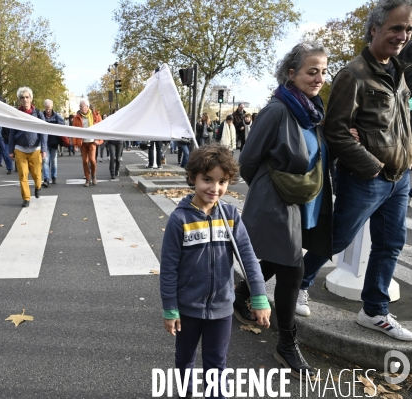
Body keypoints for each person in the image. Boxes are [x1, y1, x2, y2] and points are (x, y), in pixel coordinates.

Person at [296, 0, 412, 342]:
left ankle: (374, 311)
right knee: (337, 238)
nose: (402, 35)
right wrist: (372, 166)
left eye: (407, 29)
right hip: (366, 177)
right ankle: (298, 286)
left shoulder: (400, 72)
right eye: (396, 28)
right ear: (375, 29)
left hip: (400, 178)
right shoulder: (353, 74)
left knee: (390, 243)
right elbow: (336, 130)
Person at [238, 42, 332, 377]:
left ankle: (239, 297)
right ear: (291, 73)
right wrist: (267, 188)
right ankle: (287, 344)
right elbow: (248, 160)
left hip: (302, 200)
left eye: (323, 70)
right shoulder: (278, 109)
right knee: (293, 269)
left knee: (275, 262)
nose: (319, 77)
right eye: (312, 71)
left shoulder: (312, 110)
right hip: (276, 202)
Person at [160, 145, 271, 398]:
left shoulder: (231, 216)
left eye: (222, 182)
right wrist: (170, 307)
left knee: (216, 365)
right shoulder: (180, 220)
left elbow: (249, 259)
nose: (215, 188)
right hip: (188, 308)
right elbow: (168, 269)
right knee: (185, 359)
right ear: (193, 178)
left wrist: (259, 296)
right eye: (207, 180)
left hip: (222, 308)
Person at [8, 87, 47, 207]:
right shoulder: (16, 114)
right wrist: (11, 150)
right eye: (22, 97)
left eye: (27, 97)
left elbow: (44, 132)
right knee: (23, 174)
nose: (25, 100)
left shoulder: (38, 113)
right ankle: (26, 198)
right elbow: (12, 133)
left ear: (31, 98)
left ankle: (38, 186)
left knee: (36, 174)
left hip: (35, 149)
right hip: (20, 149)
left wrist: (44, 149)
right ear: (19, 100)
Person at [73, 99, 103, 187]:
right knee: (85, 161)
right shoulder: (77, 117)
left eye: (82, 106)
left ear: (87, 107)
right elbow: (74, 131)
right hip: (83, 143)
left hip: (92, 142)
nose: (80, 108)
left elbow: (101, 128)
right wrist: (75, 144)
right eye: (80, 106)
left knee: (92, 160)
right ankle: (87, 178)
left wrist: (99, 140)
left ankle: (93, 176)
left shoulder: (95, 115)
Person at [43, 99, 65, 184]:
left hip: (54, 142)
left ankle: (54, 176)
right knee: (45, 160)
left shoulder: (57, 116)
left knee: (54, 160)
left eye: (49, 108)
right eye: (46, 108)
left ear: (52, 107)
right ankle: (46, 179)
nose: (48, 110)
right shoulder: (41, 115)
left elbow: (62, 125)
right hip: (44, 141)